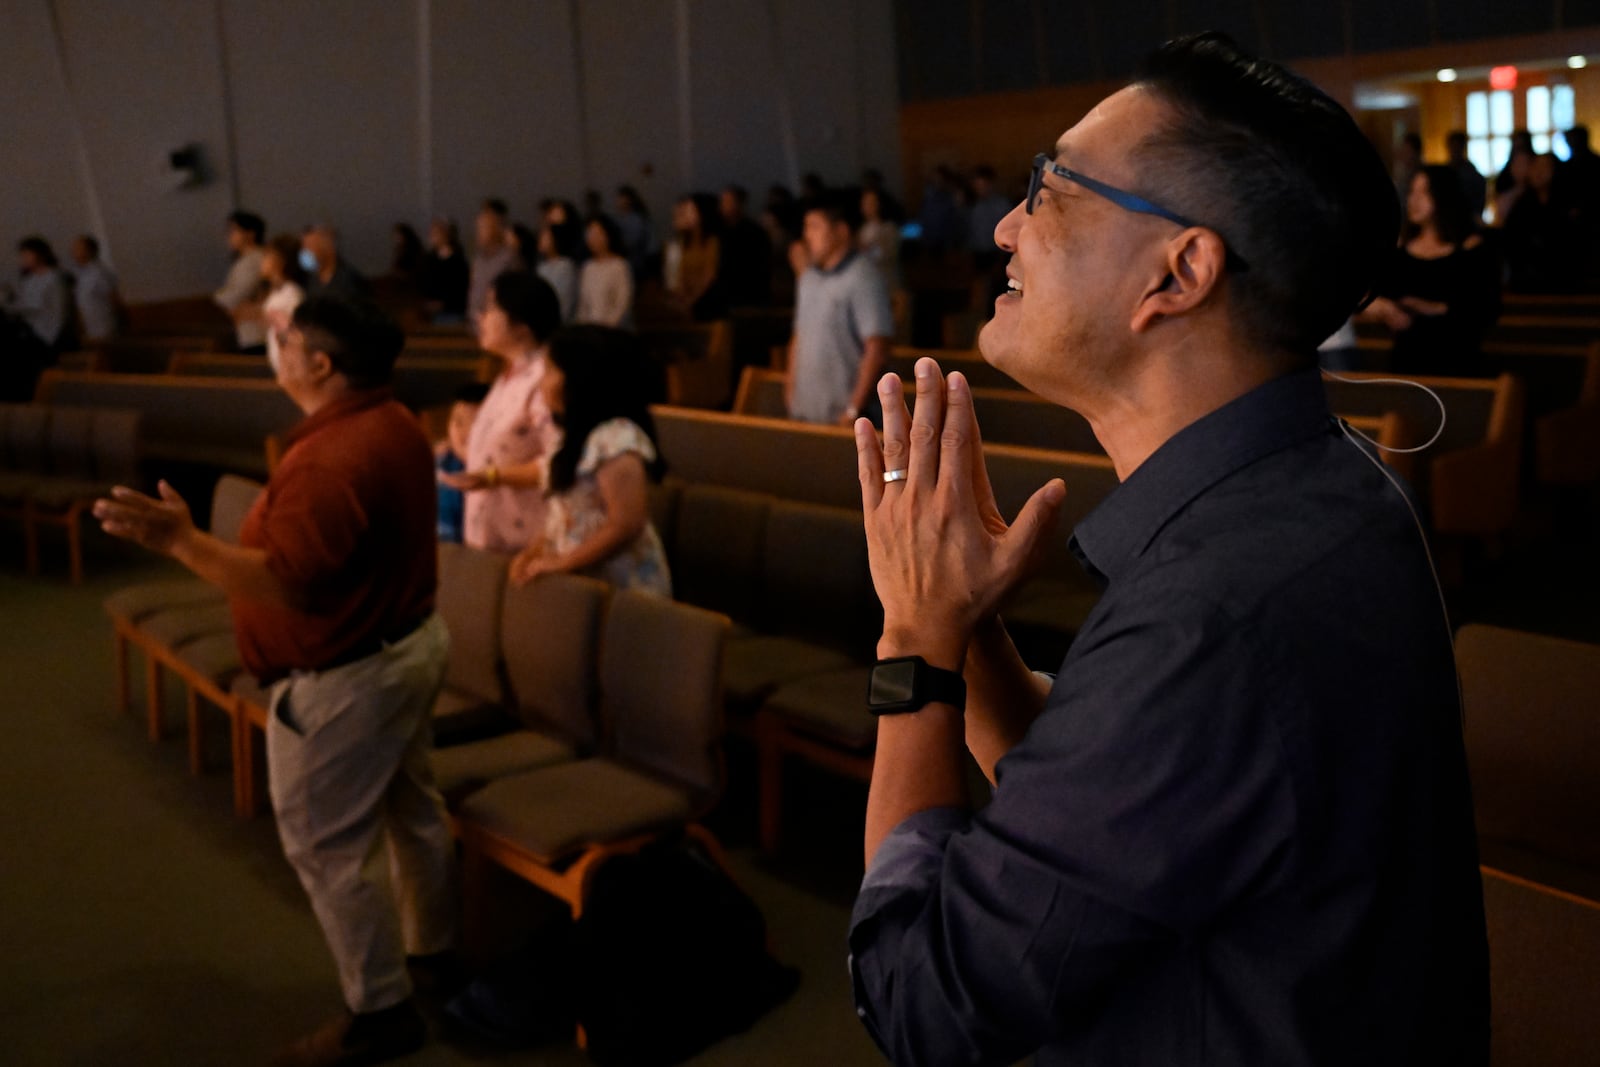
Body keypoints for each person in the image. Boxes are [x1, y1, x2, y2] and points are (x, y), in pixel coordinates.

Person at [847, 32, 1488, 1066]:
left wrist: (915, 640)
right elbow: (1115, 806)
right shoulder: (1321, 485)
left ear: (1177, 272)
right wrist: (968, 631)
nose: (1007, 225)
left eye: (1048, 187)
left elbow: (918, 994)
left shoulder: (1215, 611)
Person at [93, 294, 457, 1066]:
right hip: (407, 647)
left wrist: (183, 543)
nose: (275, 344)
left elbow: (290, 584)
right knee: (412, 809)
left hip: (349, 676)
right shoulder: (389, 420)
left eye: (284, 338)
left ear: (320, 363)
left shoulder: (333, 455)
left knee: (326, 847)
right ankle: (434, 955)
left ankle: (382, 1008)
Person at [508, 325, 670, 596]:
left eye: (549, 371)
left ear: (578, 379)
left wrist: (563, 563)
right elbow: (564, 514)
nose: (540, 383)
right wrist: (534, 551)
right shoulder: (571, 435)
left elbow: (626, 523)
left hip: (621, 590)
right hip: (583, 580)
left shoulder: (616, 438)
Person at [440, 270, 561, 554]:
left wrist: (493, 477)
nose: (481, 317)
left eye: (491, 308)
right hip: (493, 535)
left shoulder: (544, 379)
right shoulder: (509, 375)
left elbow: (558, 461)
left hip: (526, 543)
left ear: (522, 326)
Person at [1361, 164, 1501, 375]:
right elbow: (1368, 296)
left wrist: (1431, 307)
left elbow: (1484, 308)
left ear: (1442, 195)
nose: (1414, 200)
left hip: (1457, 359)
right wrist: (1384, 307)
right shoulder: (1401, 253)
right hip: (1408, 362)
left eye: (1424, 192)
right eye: (1412, 192)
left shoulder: (1470, 250)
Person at [785, 191, 894, 426]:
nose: (807, 235)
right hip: (806, 410)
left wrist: (853, 408)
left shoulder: (863, 276)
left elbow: (876, 347)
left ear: (841, 231)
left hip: (844, 415)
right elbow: (799, 337)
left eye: (815, 227)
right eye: (806, 227)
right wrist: (791, 391)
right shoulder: (809, 278)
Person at [1, 236, 72, 400]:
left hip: (45, 335)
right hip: (30, 332)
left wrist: (50, 340)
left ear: (39, 255)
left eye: (27, 254)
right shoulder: (30, 279)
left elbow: (58, 314)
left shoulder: (54, 278)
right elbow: (22, 304)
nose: (23, 259)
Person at [1503, 153, 1580, 293]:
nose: (1539, 172)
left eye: (1545, 167)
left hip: (1562, 273)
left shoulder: (1566, 203)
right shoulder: (1522, 203)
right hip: (1528, 276)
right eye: (1535, 166)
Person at [436, 382, 489, 544]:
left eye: (475, 422)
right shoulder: (441, 464)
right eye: (458, 422)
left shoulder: (503, 472)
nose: (464, 431)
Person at [662, 193, 724, 320]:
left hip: (705, 303)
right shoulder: (676, 244)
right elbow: (673, 280)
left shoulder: (711, 242)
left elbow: (709, 276)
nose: (685, 215)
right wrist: (680, 298)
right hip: (681, 303)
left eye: (691, 211)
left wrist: (691, 301)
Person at [252, 234, 308, 372]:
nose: (262, 261)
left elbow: (294, 332)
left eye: (267, 256)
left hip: (290, 365)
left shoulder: (292, 294)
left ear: (280, 261)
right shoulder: (277, 292)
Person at [216, 211, 268, 354]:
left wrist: (217, 299)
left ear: (250, 234)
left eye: (234, 230)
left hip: (256, 331)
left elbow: (237, 294)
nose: (230, 236)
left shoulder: (255, 259)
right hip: (246, 329)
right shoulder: (245, 260)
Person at [718, 184, 774, 308]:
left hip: (749, 295)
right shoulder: (720, 232)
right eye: (722, 201)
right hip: (726, 295)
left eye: (727, 201)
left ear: (739, 204)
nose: (723, 206)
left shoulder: (754, 233)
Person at [575, 215, 635, 328]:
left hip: (614, 331)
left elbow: (623, 303)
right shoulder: (588, 267)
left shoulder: (619, 265)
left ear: (608, 236)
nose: (592, 238)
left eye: (597, 234)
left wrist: (606, 329)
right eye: (590, 234)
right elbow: (583, 305)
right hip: (590, 331)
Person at [467, 198, 520, 322]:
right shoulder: (478, 260)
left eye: (483, 228)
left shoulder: (510, 258)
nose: (479, 233)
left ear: (497, 229)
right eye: (478, 228)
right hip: (475, 323)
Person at [69, 234, 121, 342]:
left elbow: (113, 297)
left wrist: (121, 319)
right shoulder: (80, 273)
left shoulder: (99, 272)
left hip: (105, 326)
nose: (73, 252)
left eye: (77, 248)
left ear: (89, 251)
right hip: (90, 327)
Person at [418, 218, 469, 323]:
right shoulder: (430, 259)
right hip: (432, 312)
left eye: (436, 233)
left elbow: (459, 286)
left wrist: (443, 303)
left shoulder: (457, 261)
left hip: (452, 311)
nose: (432, 237)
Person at [301, 225, 370, 300]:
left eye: (311, 246)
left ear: (327, 246)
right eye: (304, 246)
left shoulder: (350, 280)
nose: (306, 252)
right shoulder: (312, 281)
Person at [533, 220, 581, 323]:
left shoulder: (566, 266)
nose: (541, 240)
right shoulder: (542, 266)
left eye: (545, 237)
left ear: (556, 239)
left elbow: (565, 300)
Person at [1445, 130, 1487, 222]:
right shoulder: (1443, 174)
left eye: (1457, 147)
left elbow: (1478, 204)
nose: (1454, 151)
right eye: (1452, 147)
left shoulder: (1473, 175)